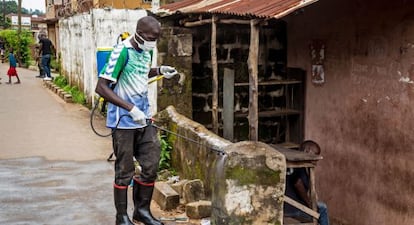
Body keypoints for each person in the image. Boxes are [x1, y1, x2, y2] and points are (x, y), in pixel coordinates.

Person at [95, 16, 178, 225]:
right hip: (123, 121)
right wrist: (130, 108)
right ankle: (121, 217)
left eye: (157, 38)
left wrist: (159, 70)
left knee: (151, 165)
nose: (154, 42)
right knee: (124, 171)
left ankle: (142, 211)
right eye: (151, 38)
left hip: (144, 119)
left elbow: (139, 74)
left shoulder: (147, 50)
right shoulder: (121, 51)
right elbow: (102, 87)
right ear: (139, 34)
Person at [284, 140, 330, 225]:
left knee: (320, 206)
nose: (316, 159)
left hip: (286, 206)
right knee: (322, 209)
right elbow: (298, 184)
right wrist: (309, 204)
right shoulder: (299, 163)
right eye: (315, 154)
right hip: (294, 208)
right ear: (307, 150)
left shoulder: (291, 160)